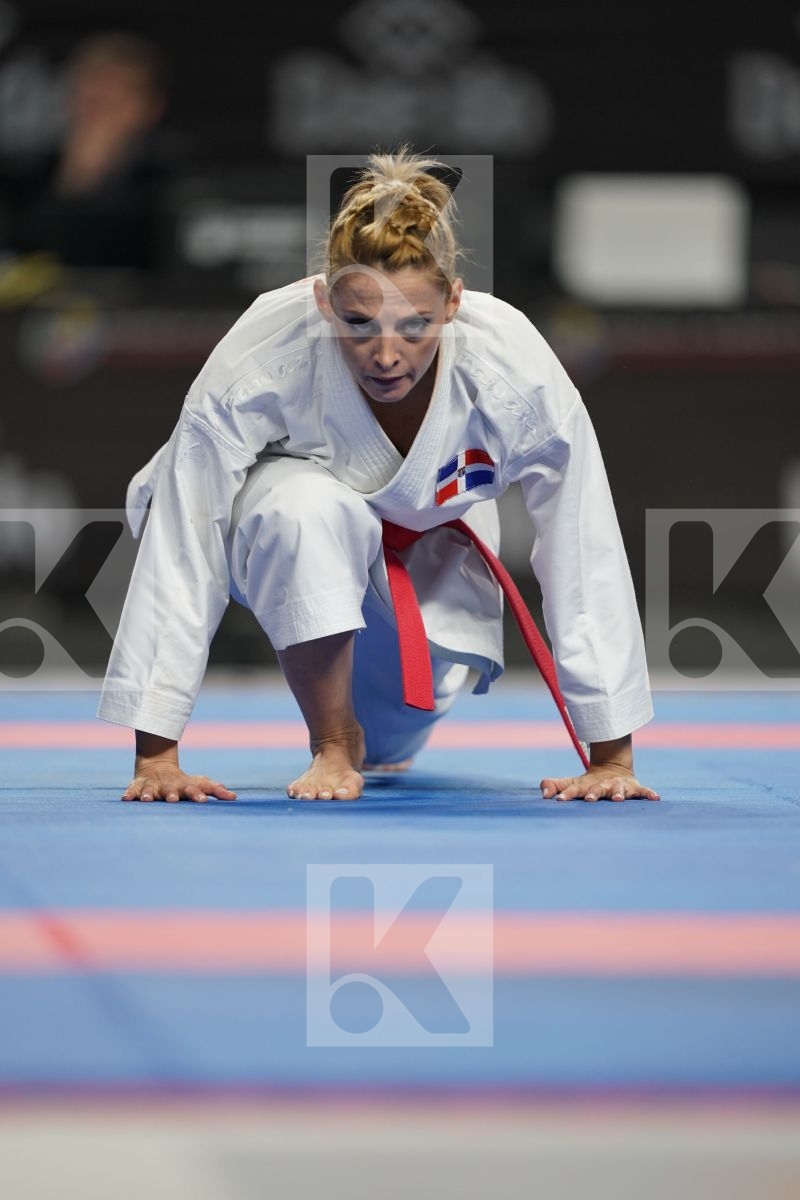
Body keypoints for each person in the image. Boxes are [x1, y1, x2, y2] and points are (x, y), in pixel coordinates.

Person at [98, 148, 659, 805]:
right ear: (323, 301)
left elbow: (581, 546)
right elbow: (184, 535)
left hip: (423, 585)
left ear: (454, 302)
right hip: (281, 553)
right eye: (358, 323)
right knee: (303, 508)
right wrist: (157, 754)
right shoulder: (264, 353)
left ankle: (367, 737)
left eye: (414, 326)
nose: (387, 354)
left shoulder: (514, 368)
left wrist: (611, 757)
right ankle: (330, 744)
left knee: (394, 738)